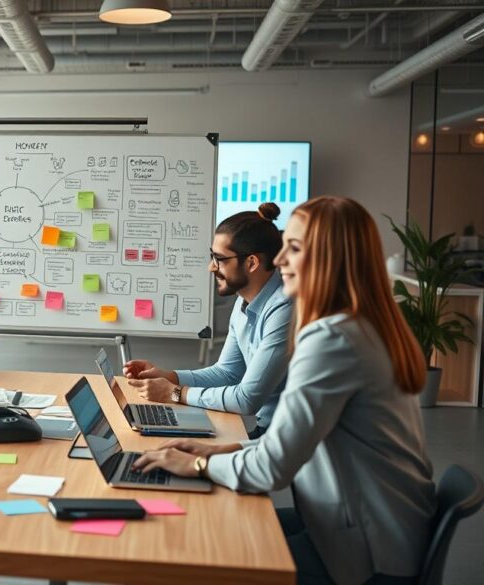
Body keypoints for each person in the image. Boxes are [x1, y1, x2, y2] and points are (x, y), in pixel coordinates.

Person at [133, 197, 436, 585]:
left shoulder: (332, 339)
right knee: (214, 531)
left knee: (197, 554)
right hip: (377, 528)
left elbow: (272, 468)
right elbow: (286, 440)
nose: (280, 261)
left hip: (366, 551)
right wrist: (219, 450)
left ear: (329, 259)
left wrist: (197, 465)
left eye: (294, 249)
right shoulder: (359, 327)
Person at [124, 202, 291, 437]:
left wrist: (174, 393)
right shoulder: (244, 302)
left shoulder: (284, 309)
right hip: (265, 432)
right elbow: (227, 373)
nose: (211, 267)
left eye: (220, 259)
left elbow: (246, 400)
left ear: (252, 263)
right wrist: (168, 376)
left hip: (284, 442)